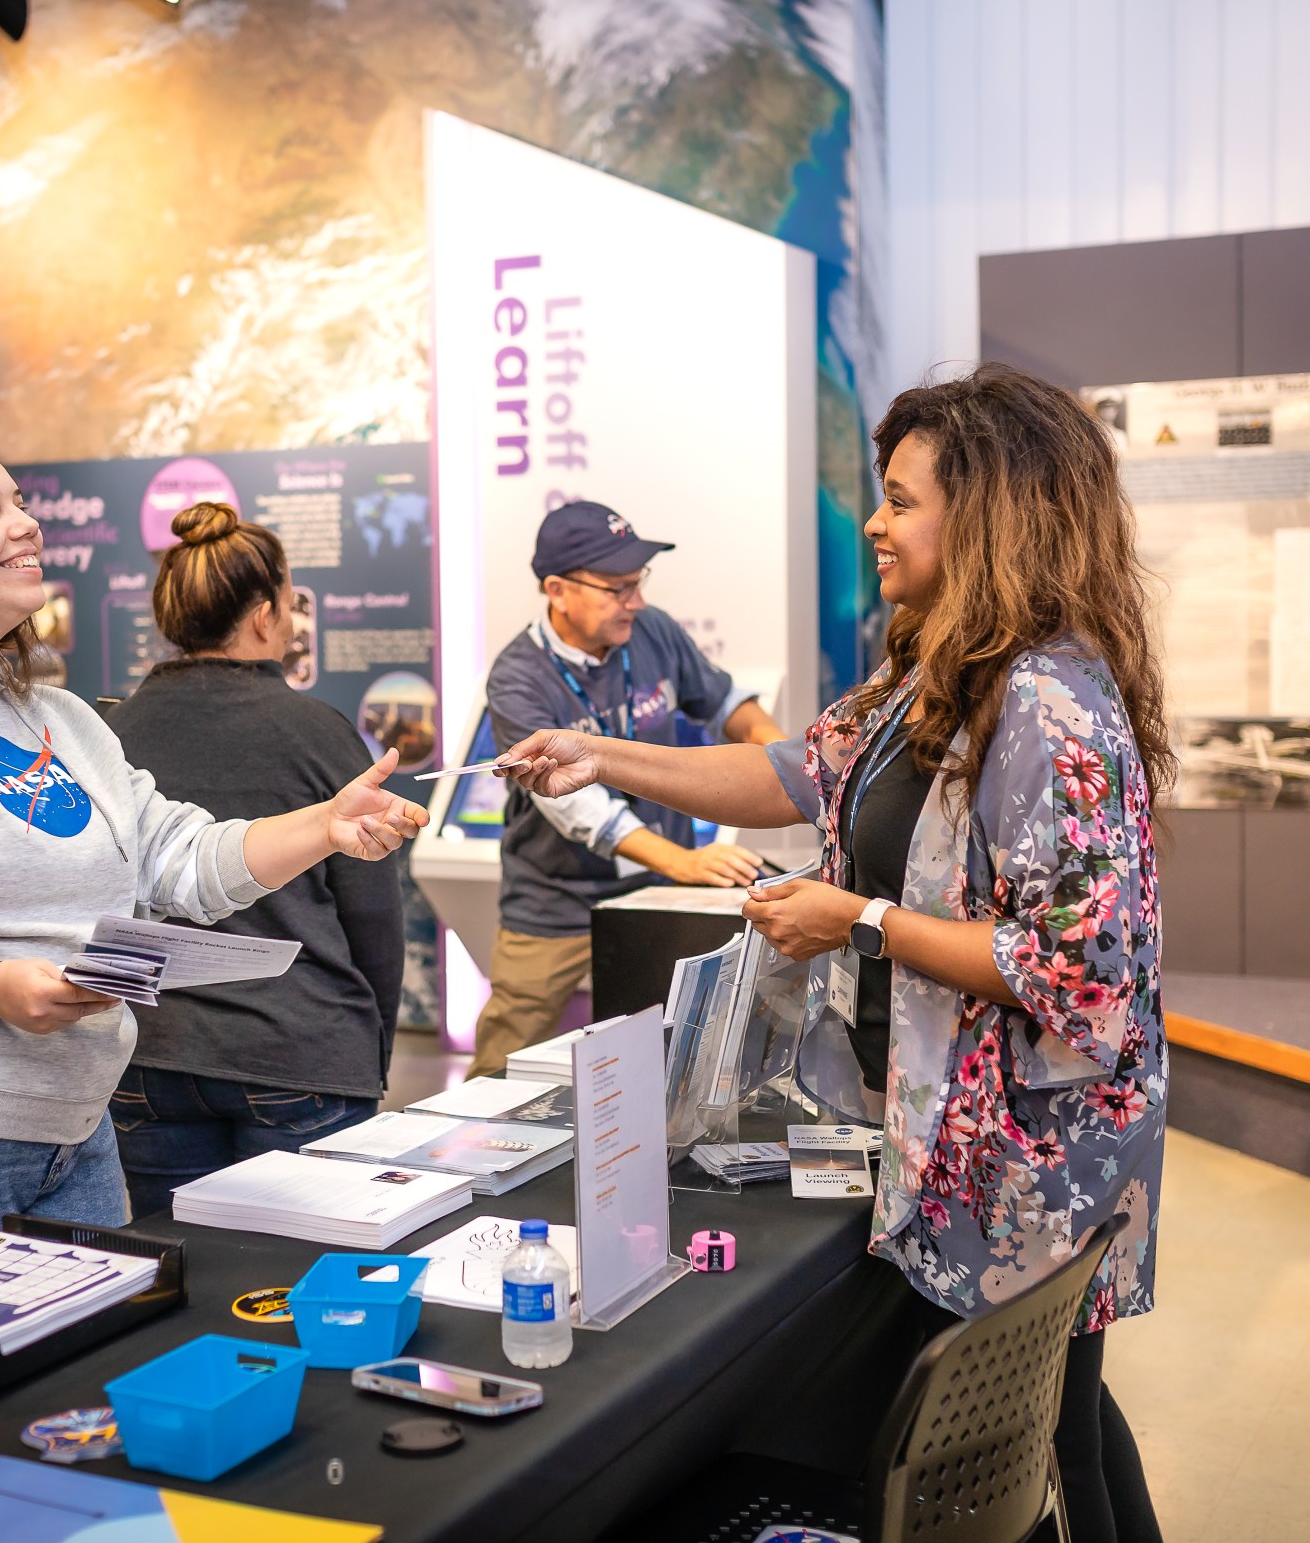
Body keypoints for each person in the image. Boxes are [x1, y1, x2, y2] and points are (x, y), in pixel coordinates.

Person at [502, 364, 1166, 1541]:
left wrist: (849, 917)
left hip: (1028, 1165)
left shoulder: (1044, 705)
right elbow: (785, 770)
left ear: (989, 514)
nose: (873, 519)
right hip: (951, 1144)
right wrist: (599, 756)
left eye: (901, 498)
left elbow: (1077, 974)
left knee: (1051, 1428)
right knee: (1066, 1419)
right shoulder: (934, 676)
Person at [0, 427, 428, 1280]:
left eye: (19, 503)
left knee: (79, 1404)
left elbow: (175, 856)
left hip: (83, 1138)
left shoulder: (61, 719)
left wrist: (324, 825)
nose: (25, 524)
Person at [101, 503, 404, 1215]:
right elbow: (373, 918)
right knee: (308, 1281)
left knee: (181, 1279)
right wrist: (370, 1048)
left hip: (150, 1057)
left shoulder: (111, 731)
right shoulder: (317, 733)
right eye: (291, 602)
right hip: (299, 1054)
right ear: (264, 614)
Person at [468, 499, 785, 1077]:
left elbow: (724, 703)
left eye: (638, 583)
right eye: (616, 588)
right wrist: (682, 860)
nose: (635, 601)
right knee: (505, 1056)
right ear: (558, 590)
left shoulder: (652, 630)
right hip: (555, 898)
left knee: (674, 1052)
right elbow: (577, 807)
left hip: (659, 891)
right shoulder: (517, 677)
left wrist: (792, 758)